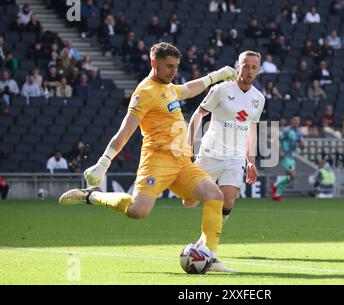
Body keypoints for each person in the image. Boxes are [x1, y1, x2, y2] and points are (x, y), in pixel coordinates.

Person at [59, 42, 238, 272]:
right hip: (157, 162)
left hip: (181, 162)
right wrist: (104, 162)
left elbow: (189, 89)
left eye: (175, 67)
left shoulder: (168, 87)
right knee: (138, 211)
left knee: (215, 195)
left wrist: (217, 75)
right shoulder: (144, 93)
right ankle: (92, 196)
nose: (173, 71)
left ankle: (210, 256)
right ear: (154, 63)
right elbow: (125, 131)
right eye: (168, 66)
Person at [184, 51, 265, 272]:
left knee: (227, 201)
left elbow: (252, 129)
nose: (249, 71)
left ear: (258, 70)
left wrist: (250, 161)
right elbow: (197, 116)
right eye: (245, 66)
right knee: (189, 202)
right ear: (237, 67)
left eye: (253, 67)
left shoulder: (259, 98)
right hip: (210, 153)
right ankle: (205, 246)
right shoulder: (220, 90)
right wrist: (188, 146)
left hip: (235, 157)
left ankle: (209, 251)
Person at [271, 116, 304, 201]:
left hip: (290, 156)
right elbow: (274, 140)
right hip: (284, 156)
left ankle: (277, 195)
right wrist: (279, 151)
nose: (297, 122)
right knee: (293, 175)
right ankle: (275, 185)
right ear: (291, 121)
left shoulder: (299, 132)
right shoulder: (286, 130)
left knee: (289, 177)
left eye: (298, 120)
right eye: (295, 120)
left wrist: (302, 144)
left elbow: (302, 146)